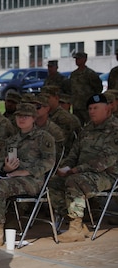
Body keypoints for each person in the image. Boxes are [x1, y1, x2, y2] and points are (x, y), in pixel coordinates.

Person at [49, 94, 118, 242]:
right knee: (52, 183)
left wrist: (77, 170)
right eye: (90, 108)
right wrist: (64, 168)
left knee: (75, 181)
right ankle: (76, 223)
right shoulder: (86, 129)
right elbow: (74, 154)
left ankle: (75, 229)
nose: (92, 111)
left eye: (96, 108)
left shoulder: (115, 130)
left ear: (107, 109)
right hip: (82, 173)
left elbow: (106, 160)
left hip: (108, 175)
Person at [0, 103, 56, 247]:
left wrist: (26, 172)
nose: (22, 119)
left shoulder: (43, 137)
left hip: (33, 181)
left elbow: (49, 161)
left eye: (26, 116)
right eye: (19, 116)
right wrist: (6, 168)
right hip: (11, 179)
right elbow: (0, 162)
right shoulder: (11, 141)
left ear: (33, 118)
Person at [41, 86, 82, 152]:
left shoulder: (64, 118)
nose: (44, 100)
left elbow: (62, 143)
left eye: (48, 98)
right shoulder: (44, 115)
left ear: (56, 98)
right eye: (42, 98)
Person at [70, 52, 102, 125]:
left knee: (90, 125)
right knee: (76, 126)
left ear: (84, 60)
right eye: (76, 59)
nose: (77, 60)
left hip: (87, 106)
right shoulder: (73, 74)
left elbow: (98, 88)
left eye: (79, 59)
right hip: (76, 106)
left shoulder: (90, 74)